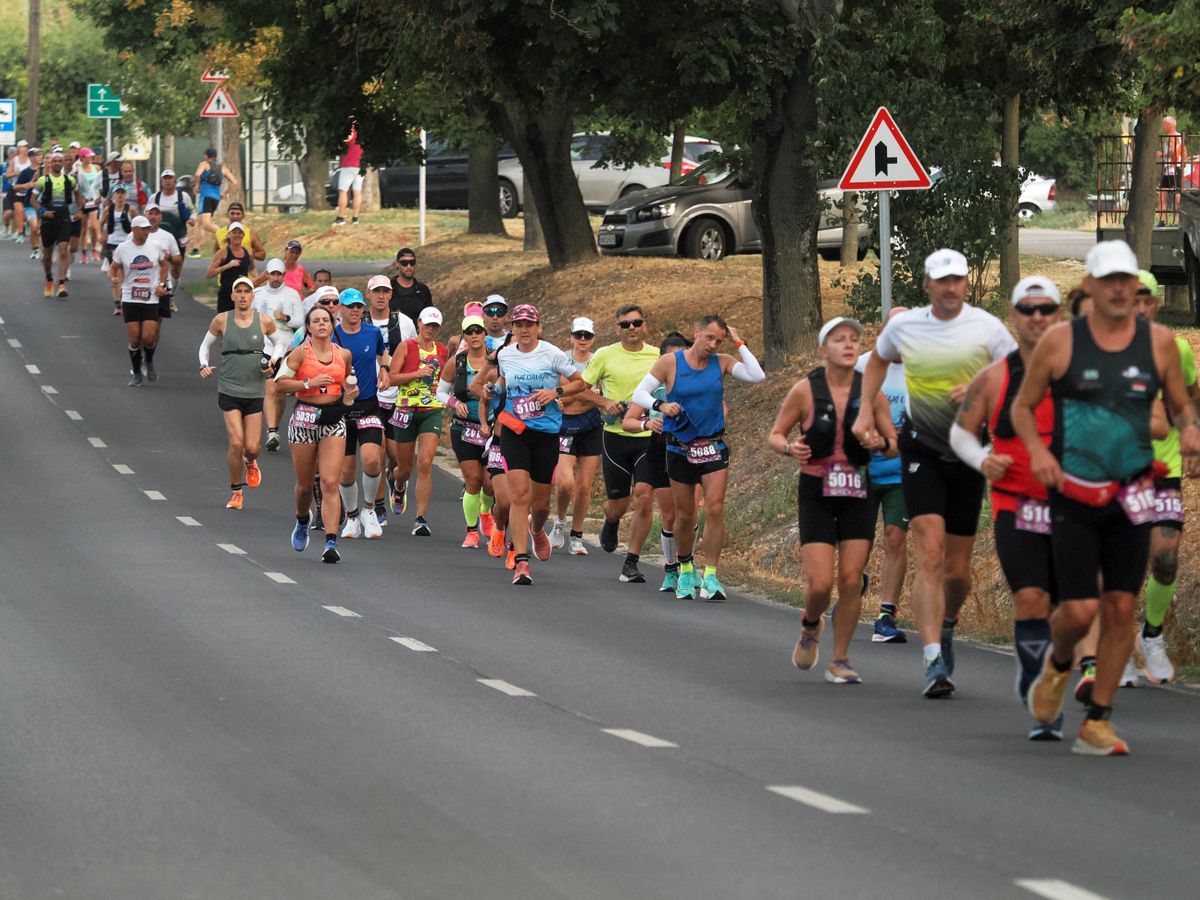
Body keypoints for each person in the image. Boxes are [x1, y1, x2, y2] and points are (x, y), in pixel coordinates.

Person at [1015, 240, 1199, 756]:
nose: (1121, 289)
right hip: (1074, 491)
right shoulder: (1061, 344)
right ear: (1090, 288)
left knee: (1120, 606)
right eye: (1110, 280)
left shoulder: (1161, 343)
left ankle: (1098, 718)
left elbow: (1182, 405)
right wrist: (1040, 454)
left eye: (1128, 281)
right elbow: (1023, 409)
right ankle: (1057, 665)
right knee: (1077, 610)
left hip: (1133, 492)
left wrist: (1189, 430)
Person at [853, 248, 1017, 698]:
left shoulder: (987, 327)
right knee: (927, 552)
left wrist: (984, 385)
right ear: (927, 285)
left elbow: (1019, 373)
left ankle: (946, 625)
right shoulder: (906, 326)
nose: (950, 288)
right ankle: (931, 660)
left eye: (958, 280)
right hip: (920, 451)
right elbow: (877, 360)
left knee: (958, 572)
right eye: (942, 280)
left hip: (967, 456)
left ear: (966, 282)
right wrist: (867, 408)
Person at [950, 276, 1067, 740]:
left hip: (1073, 504)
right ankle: (1040, 689)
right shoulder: (995, 376)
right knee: (1030, 598)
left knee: (1069, 609)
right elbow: (961, 432)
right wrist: (983, 459)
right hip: (1016, 503)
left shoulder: (1079, 370)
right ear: (1014, 316)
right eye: (1028, 309)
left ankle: (1052, 678)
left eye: (1046, 309)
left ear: (1059, 314)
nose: (1037, 317)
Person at [768, 317, 895, 682]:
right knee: (821, 583)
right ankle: (810, 626)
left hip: (858, 490)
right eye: (840, 340)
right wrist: (789, 448)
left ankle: (840, 659)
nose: (849, 345)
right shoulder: (805, 390)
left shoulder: (871, 392)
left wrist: (880, 444)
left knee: (852, 580)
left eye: (855, 339)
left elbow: (894, 442)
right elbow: (776, 434)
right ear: (824, 349)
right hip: (817, 492)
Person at [633, 315, 766, 601]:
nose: (713, 344)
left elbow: (758, 376)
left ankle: (711, 576)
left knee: (715, 508)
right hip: (680, 447)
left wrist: (739, 340)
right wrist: (661, 405)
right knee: (685, 515)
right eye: (709, 338)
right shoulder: (671, 362)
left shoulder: (722, 361)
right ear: (696, 332)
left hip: (713, 446)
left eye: (719, 340)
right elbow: (639, 393)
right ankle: (685, 568)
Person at [1130, 269, 1198, 684]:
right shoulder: (1097, 350)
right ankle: (1111, 649)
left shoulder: (1177, 350)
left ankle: (1150, 634)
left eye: (1146, 299)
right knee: (1116, 567)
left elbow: (1189, 398)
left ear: (1155, 304)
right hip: (1115, 472)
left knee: (1166, 558)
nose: (1139, 307)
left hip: (1164, 469)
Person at [492, 304, 589, 584]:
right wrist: (495, 390)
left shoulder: (552, 353)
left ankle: (537, 529)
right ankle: (522, 561)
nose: (523, 330)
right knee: (520, 496)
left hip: (546, 433)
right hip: (515, 431)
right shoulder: (505, 354)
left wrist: (555, 391)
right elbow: (502, 380)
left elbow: (579, 383)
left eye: (529, 325)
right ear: (513, 328)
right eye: (518, 325)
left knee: (542, 504)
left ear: (538, 327)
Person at [581, 305, 664, 583]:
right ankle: (612, 519)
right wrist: (605, 402)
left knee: (644, 495)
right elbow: (581, 388)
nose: (632, 329)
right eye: (625, 325)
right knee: (618, 504)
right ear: (617, 329)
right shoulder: (605, 355)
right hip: (615, 436)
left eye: (636, 323)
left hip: (648, 436)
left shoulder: (658, 355)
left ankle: (631, 561)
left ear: (645, 325)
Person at [276, 304, 358, 563]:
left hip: (333, 420)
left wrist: (349, 398)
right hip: (304, 418)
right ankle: (302, 518)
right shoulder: (300, 353)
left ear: (332, 326)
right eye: (316, 321)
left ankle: (331, 543)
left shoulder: (343, 354)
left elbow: (346, 385)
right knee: (304, 485)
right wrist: (308, 383)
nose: (322, 324)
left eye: (326, 320)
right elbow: (280, 383)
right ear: (308, 327)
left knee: (330, 482)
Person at [198, 276, 284, 509]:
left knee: (252, 447)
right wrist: (203, 364)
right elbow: (205, 345)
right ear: (233, 296)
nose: (243, 295)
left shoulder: (264, 321)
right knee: (236, 443)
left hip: (255, 389)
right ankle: (236, 491)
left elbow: (279, 343)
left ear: (252, 296)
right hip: (229, 387)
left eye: (247, 291)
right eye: (239, 291)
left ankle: (250, 462)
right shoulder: (221, 320)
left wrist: (274, 360)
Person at [622, 331, 694, 591]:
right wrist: (646, 422)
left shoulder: (698, 383)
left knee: (689, 515)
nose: (675, 363)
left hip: (693, 449)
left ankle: (689, 564)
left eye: (681, 357)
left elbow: (720, 408)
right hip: (660, 449)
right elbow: (628, 421)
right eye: (670, 357)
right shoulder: (652, 386)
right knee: (670, 514)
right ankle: (672, 568)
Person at [856, 306, 911, 643]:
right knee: (858, 541)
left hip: (903, 472)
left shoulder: (923, 371)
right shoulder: (863, 365)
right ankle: (852, 585)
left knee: (895, 538)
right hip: (861, 468)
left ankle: (886, 613)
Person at [333, 288, 390, 541]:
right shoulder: (333, 336)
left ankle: (369, 509)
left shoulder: (373, 332)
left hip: (368, 404)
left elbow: (382, 353)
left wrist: (385, 368)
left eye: (358, 306)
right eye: (350, 306)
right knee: (345, 471)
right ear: (341, 309)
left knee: (372, 460)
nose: (355, 310)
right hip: (341, 409)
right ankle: (352, 516)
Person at [437, 308, 495, 547]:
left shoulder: (496, 360)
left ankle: (485, 511)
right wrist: (454, 402)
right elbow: (440, 391)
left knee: (490, 483)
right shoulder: (456, 362)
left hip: (491, 429)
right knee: (472, 480)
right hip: (463, 429)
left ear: (484, 333)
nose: (474, 336)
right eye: (469, 332)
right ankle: (471, 531)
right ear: (463, 336)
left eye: (478, 331)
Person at [388, 306, 449, 535]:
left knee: (425, 463)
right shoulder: (406, 346)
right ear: (419, 323)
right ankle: (398, 484)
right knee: (404, 469)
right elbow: (392, 378)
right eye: (427, 324)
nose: (430, 329)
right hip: (405, 409)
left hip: (431, 410)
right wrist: (417, 373)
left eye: (435, 326)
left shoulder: (441, 351)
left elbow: (445, 378)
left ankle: (420, 518)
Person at [549, 318, 603, 554]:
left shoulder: (598, 360)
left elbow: (576, 391)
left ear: (593, 338)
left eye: (587, 336)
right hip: (564, 424)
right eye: (578, 335)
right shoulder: (561, 358)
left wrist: (574, 394)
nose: (582, 340)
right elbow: (573, 390)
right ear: (570, 337)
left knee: (584, 486)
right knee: (565, 484)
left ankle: (577, 535)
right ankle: (560, 522)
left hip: (590, 425)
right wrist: (590, 393)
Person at [366, 274, 417, 523]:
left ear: (391, 295)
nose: (381, 296)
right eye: (376, 291)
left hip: (398, 396)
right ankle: (377, 507)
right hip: (371, 397)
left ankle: (396, 483)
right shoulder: (360, 321)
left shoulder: (404, 323)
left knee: (398, 458)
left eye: (385, 291)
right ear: (369, 294)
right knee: (377, 452)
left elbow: (414, 354)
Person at [109, 215, 169, 387]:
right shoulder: (123, 248)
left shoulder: (155, 247)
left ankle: (149, 360)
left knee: (149, 338)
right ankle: (136, 373)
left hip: (150, 296)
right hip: (130, 296)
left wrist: (162, 284)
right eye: (143, 228)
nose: (146, 231)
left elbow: (164, 266)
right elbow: (114, 268)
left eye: (147, 228)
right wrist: (114, 278)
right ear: (134, 230)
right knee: (135, 339)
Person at [254, 258, 305, 451]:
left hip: (286, 349)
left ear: (284, 275)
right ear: (266, 274)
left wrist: (286, 318)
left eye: (279, 274)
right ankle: (272, 431)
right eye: (272, 274)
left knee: (281, 393)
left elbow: (301, 322)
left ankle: (274, 426)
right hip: (265, 348)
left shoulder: (292, 295)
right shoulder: (257, 294)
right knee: (270, 389)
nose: (275, 278)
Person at [35, 151, 79, 298]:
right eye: (55, 161)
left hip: (64, 218)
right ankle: (49, 279)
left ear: (63, 163)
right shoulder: (43, 180)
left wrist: (80, 210)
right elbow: (32, 199)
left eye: (60, 161)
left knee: (63, 250)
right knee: (47, 255)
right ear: (50, 163)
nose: (57, 163)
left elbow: (79, 194)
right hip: (48, 219)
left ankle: (61, 284)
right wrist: (43, 211)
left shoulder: (70, 180)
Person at [142, 202, 184, 326]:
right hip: (141, 282)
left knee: (156, 323)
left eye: (156, 214)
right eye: (150, 214)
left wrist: (169, 256)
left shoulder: (168, 236)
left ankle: (151, 345)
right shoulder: (136, 235)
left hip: (162, 283)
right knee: (142, 322)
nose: (153, 217)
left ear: (160, 217)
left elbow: (178, 260)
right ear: (145, 216)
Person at [192, 148, 237, 251]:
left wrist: (196, 186)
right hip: (216, 198)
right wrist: (225, 193)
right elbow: (234, 182)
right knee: (199, 222)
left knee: (206, 224)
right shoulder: (222, 168)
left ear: (206, 156)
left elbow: (197, 174)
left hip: (206, 197)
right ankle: (196, 249)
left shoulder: (204, 164)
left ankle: (225, 233)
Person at [206, 222, 255, 313]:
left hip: (242, 295)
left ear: (243, 235)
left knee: (242, 323)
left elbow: (252, 268)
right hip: (226, 294)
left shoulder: (248, 253)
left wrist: (253, 279)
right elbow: (209, 274)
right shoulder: (223, 252)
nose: (237, 235)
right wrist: (227, 266)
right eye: (234, 232)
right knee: (225, 324)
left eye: (240, 233)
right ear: (229, 235)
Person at [150, 169, 194, 263]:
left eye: (170, 178)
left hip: (179, 232)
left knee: (178, 261)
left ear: (174, 180)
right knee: (160, 260)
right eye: (165, 178)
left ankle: (177, 277)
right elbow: (146, 213)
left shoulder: (183, 196)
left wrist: (191, 219)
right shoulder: (154, 197)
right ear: (162, 181)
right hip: (160, 233)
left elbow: (192, 211)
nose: (167, 181)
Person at [100, 185, 132, 294]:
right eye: (117, 193)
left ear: (125, 195)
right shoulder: (108, 209)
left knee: (125, 269)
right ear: (113, 195)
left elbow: (137, 224)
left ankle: (123, 291)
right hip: (112, 243)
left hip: (127, 243)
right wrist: (102, 235)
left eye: (122, 193)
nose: (120, 195)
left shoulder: (131, 209)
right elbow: (101, 222)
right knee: (117, 270)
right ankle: (119, 295)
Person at [389, 248, 433, 321]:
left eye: (412, 262)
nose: (409, 266)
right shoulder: (388, 288)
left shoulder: (423, 290)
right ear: (397, 264)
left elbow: (429, 317)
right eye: (404, 263)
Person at [75, 148, 103, 263]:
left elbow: (100, 183)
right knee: (84, 228)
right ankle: (84, 253)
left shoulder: (96, 168)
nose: (91, 158)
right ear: (82, 158)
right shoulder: (77, 169)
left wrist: (100, 195)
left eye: (92, 156)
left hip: (94, 200)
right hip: (83, 200)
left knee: (96, 226)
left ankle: (95, 250)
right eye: (88, 156)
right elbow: (77, 185)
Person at [334, 118, 364, 227]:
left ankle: (341, 217)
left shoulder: (349, 133)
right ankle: (355, 218)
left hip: (348, 165)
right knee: (357, 192)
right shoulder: (363, 134)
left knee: (343, 191)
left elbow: (342, 142)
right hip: (360, 165)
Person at [1157, 116, 1186, 226]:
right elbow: (1184, 151)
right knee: (1164, 193)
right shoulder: (1179, 136)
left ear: (1171, 125)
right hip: (1173, 168)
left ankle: (1170, 220)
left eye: (1164, 124)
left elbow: (1173, 151)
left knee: (1173, 194)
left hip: (1172, 169)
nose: (1162, 126)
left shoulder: (1172, 137)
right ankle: (1166, 220)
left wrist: (1162, 154)